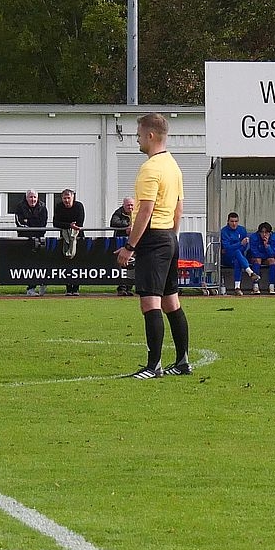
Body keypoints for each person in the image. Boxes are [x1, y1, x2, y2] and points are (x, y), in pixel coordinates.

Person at [116, 113, 189, 378]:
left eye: (138, 134)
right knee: (171, 302)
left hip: (153, 240)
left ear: (150, 135)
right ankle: (182, 362)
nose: (136, 139)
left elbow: (145, 210)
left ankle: (153, 366)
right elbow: (179, 208)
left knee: (150, 303)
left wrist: (130, 246)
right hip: (168, 236)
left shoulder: (150, 168)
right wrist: (171, 238)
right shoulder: (173, 165)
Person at [16, 190, 51, 296]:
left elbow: (42, 224)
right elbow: (20, 223)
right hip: (25, 240)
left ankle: (42, 283)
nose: (33, 199)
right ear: (26, 198)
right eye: (30, 197)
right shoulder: (20, 206)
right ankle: (30, 288)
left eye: (34, 197)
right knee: (28, 264)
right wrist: (32, 225)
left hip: (39, 239)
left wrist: (29, 222)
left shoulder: (42, 207)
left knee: (40, 263)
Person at [53, 189, 86, 295]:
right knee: (66, 262)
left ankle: (76, 288)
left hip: (78, 238)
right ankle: (68, 288)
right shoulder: (59, 207)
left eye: (68, 198)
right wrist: (69, 225)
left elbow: (80, 223)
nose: (66, 200)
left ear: (73, 198)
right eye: (64, 198)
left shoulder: (79, 206)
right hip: (64, 238)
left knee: (77, 263)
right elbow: (55, 223)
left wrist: (67, 225)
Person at [218, 211, 254, 294]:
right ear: (228, 221)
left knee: (238, 259)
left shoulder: (242, 230)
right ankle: (249, 271)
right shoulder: (224, 231)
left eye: (236, 221)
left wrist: (235, 247)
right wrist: (239, 244)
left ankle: (237, 287)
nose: (234, 224)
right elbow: (227, 247)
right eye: (232, 221)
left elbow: (244, 247)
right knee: (237, 252)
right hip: (227, 257)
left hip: (239, 256)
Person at [109, 198, 134, 296]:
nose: (130, 207)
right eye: (128, 205)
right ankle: (122, 288)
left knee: (131, 265)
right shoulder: (118, 212)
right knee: (121, 265)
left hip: (133, 243)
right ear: (123, 205)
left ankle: (129, 287)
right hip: (120, 242)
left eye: (132, 205)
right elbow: (114, 222)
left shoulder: (137, 212)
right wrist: (126, 226)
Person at [247, 220, 275, 294]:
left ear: (270, 233)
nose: (264, 234)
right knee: (258, 260)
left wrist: (267, 246)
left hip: (267, 257)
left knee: (272, 260)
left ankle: (272, 286)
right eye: (262, 232)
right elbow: (254, 252)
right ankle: (255, 285)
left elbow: (273, 253)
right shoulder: (254, 237)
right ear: (259, 232)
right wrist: (266, 255)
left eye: (266, 232)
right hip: (256, 258)